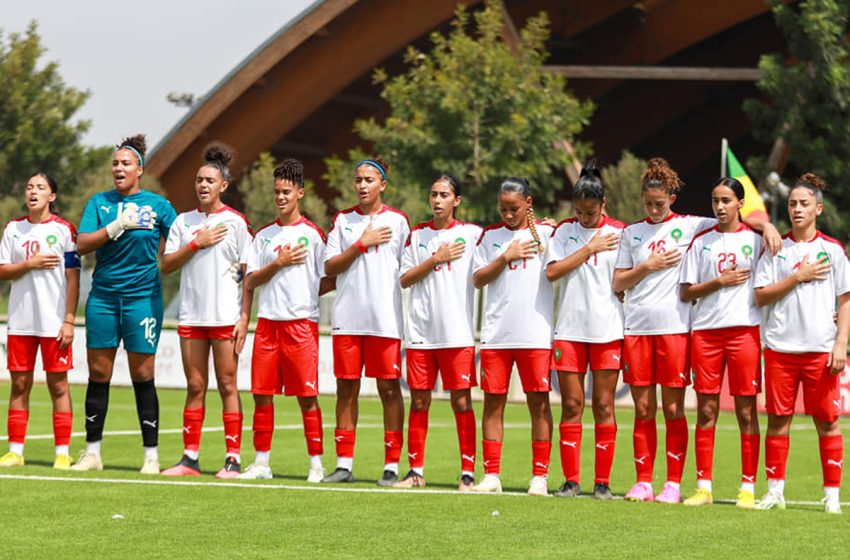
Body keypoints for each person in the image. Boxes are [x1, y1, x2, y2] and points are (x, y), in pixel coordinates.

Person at [613, 158, 778, 503]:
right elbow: (618, 283)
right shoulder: (631, 233)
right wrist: (648, 266)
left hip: (676, 328)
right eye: (648, 204)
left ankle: (673, 484)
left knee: (674, 410)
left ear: (673, 198)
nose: (654, 210)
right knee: (643, 409)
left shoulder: (692, 226)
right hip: (638, 328)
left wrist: (768, 227)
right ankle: (644, 481)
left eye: (660, 203)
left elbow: (736, 219)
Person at [71, 134, 177, 474]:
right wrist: (115, 227)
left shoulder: (159, 205)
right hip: (103, 298)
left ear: (140, 170)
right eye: (115, 163)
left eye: (125, 163)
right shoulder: (99, 203)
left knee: (142, 373)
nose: (118, 168)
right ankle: (92, 453)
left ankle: (151, 456)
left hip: (143, 300)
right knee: (98, 373)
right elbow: (82, 244)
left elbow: (180, 242)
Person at [753, 173, 849, 514]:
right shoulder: (776, 249)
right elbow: (761, 296)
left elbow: (845, 300)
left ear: (818, 209)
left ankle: (832, 497)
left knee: (827, 422)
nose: (796, 209)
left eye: (804, 204)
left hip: (820, 350)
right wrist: (797, 276)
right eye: (792, 203)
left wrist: (841, 344)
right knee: (778, 421)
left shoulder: (833, 250)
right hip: (779, 349)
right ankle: (775, 492)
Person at [160, 144, 252, 478]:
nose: (202, 185)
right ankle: (189, 458)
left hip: (225, 317)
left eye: (209, 180)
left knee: (228, 384)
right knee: (195, 385)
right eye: (199, 180)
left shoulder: (238, 223)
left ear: (223, 185)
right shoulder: (184, 223)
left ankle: (232, 459)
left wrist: (244, 317)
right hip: (191, 316)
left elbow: (249, 274)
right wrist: (197, 242)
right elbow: (167, 265)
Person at [238, 158, 333, 482]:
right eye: (277, 191)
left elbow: (328, 278)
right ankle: (262, 463)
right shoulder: (263, 236)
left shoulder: (314, 235)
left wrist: (304, 299)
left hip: (301, 326)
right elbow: (249, 281)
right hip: (267, 324)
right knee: (261, 394)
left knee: (307, 397)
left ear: (300, 193)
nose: (280, 197)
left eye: (287, 192)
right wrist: (278, 264)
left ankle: (316, 465)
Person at [321, 158, 410, 486]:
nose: (362, 185)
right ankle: (343, 464)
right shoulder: (342, 221)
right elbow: (329, 268)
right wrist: (361, 244)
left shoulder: (399, 222)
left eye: (369, 180)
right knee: (346, 388)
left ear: (382, 184)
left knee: (389, 390)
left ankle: (391, 465)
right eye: (358, 179)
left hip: (385, 321)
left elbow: (408, 269)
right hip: (347, 319)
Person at [679, 177, 763, 508]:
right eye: (715, 200)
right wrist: (718, 282)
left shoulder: (756, 242)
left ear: (740, 203)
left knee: (746, 411)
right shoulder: (701, 242)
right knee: (706, 409)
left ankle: (748, 488)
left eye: (726, 200)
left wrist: (768, 229)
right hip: (707, 334)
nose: (719, 206)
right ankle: (703, 487)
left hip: (744, 332)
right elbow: (686, 291)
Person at [395, 174, 481, 490]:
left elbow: (506, 238)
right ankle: (415, 471)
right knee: (419, 402)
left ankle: (468, 474)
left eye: (444, 195)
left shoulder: (472, 234)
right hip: (421, 333)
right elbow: (404, 279)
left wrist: (538, 224)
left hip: (456, 333)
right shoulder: (417, 235)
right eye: (433, 194)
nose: (437, 200)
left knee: (462, 403)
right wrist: (436, 258)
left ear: (456, 200)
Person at [545, 161, 624, 500]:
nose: (583, 218)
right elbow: (552, 273)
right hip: (570, 331)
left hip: (607, 330)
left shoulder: (621, 232)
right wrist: (588, 247)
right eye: (578, 211)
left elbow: (627, 278)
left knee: (604, 406)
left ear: (603, 203)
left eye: (590, 212)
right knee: (572, 404)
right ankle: (571, 480)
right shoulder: (564, 231)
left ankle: (603, 482)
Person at [471, 177, 555, 496]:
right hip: (497, 334)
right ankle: (491, 475)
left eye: (514, 208)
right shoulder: (490, 237)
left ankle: (540, 477)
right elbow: (478, 279)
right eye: (503, 208)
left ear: (528, 204)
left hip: (535, 334)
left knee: (539, 404)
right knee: (493, 403)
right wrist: (505, 256)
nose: (507, 214)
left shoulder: (547, 234)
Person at [0, 173, 80, 469]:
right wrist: (27, 265)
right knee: (19, 385)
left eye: (40, 187)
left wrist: (69, 320)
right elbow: (2, 270)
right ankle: (15, 451)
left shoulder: (64, 230)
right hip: (21, 321)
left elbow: (73, 279)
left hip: (53, 323)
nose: (33, 191)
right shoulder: (13, 229)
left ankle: (62, 452)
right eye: (29, 186)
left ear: (52, 196)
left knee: (58, 386)